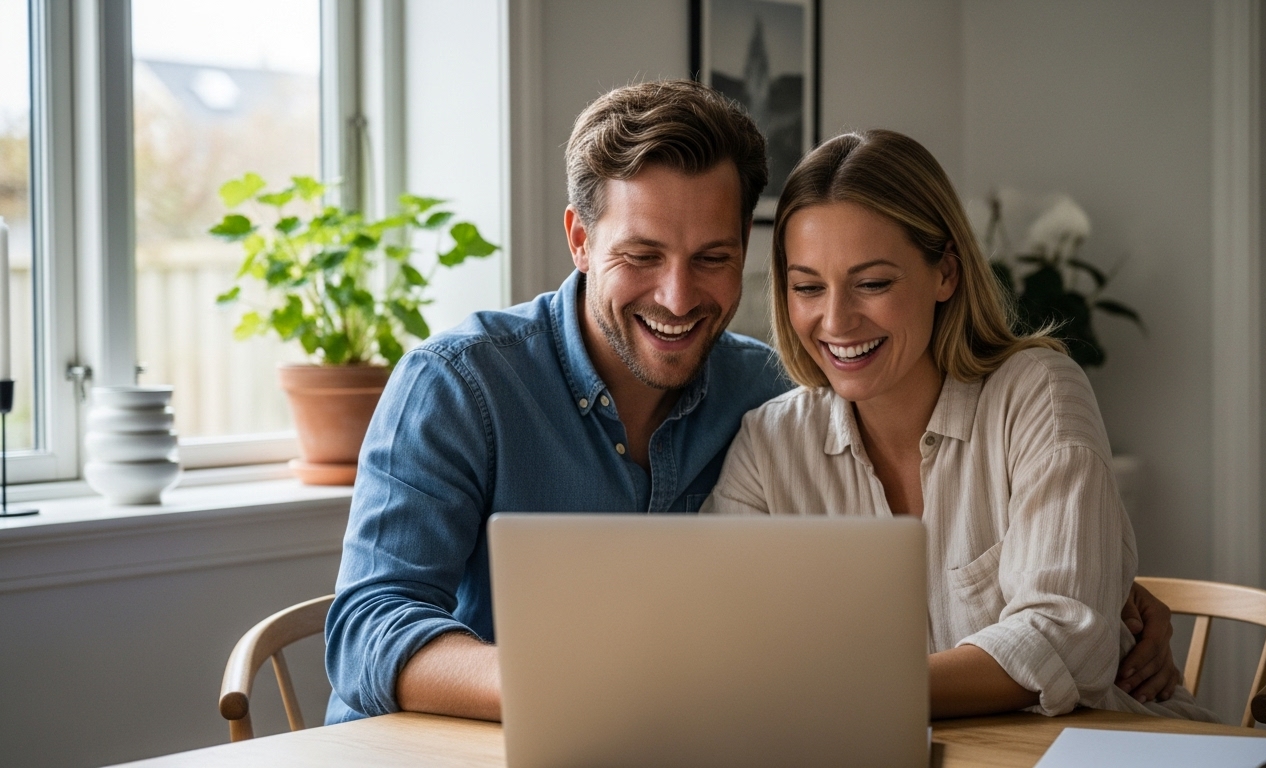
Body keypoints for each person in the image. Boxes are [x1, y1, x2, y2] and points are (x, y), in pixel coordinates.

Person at [324, 81, 1182, 725]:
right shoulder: (460, 382)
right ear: (580, 241)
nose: (677, 294)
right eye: (643, 254)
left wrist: (1103, 591)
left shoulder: (767, 391)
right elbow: (365, 626)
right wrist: (564, 689)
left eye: (713, 256)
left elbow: (754, 622)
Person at [702, 129, 1215, 721]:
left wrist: (845, 693)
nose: (835, 320)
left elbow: (1064, 640)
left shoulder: (1038, 393)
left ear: (945, 272)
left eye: (872, 283)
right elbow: (723, 644)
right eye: (808, 287)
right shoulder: (769, 445)